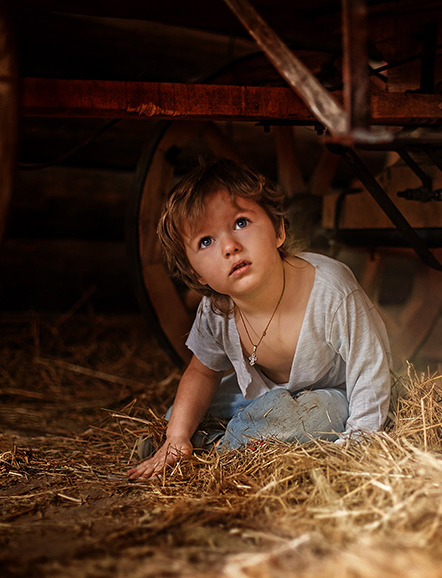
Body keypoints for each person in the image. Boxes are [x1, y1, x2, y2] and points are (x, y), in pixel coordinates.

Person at [128, 158, 392, 480]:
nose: (230, 246)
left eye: (241, 222)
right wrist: (176, 437)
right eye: (206, 241)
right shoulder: (216, 309)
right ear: (196, 274)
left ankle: (219, 451)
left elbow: (369, 371)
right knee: (179, 416)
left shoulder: (332, 293)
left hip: (333, 394)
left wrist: (357, 445)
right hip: (260, 397)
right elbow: (202, 372)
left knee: (306, 418)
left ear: (279, 230)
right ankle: (200, 443)